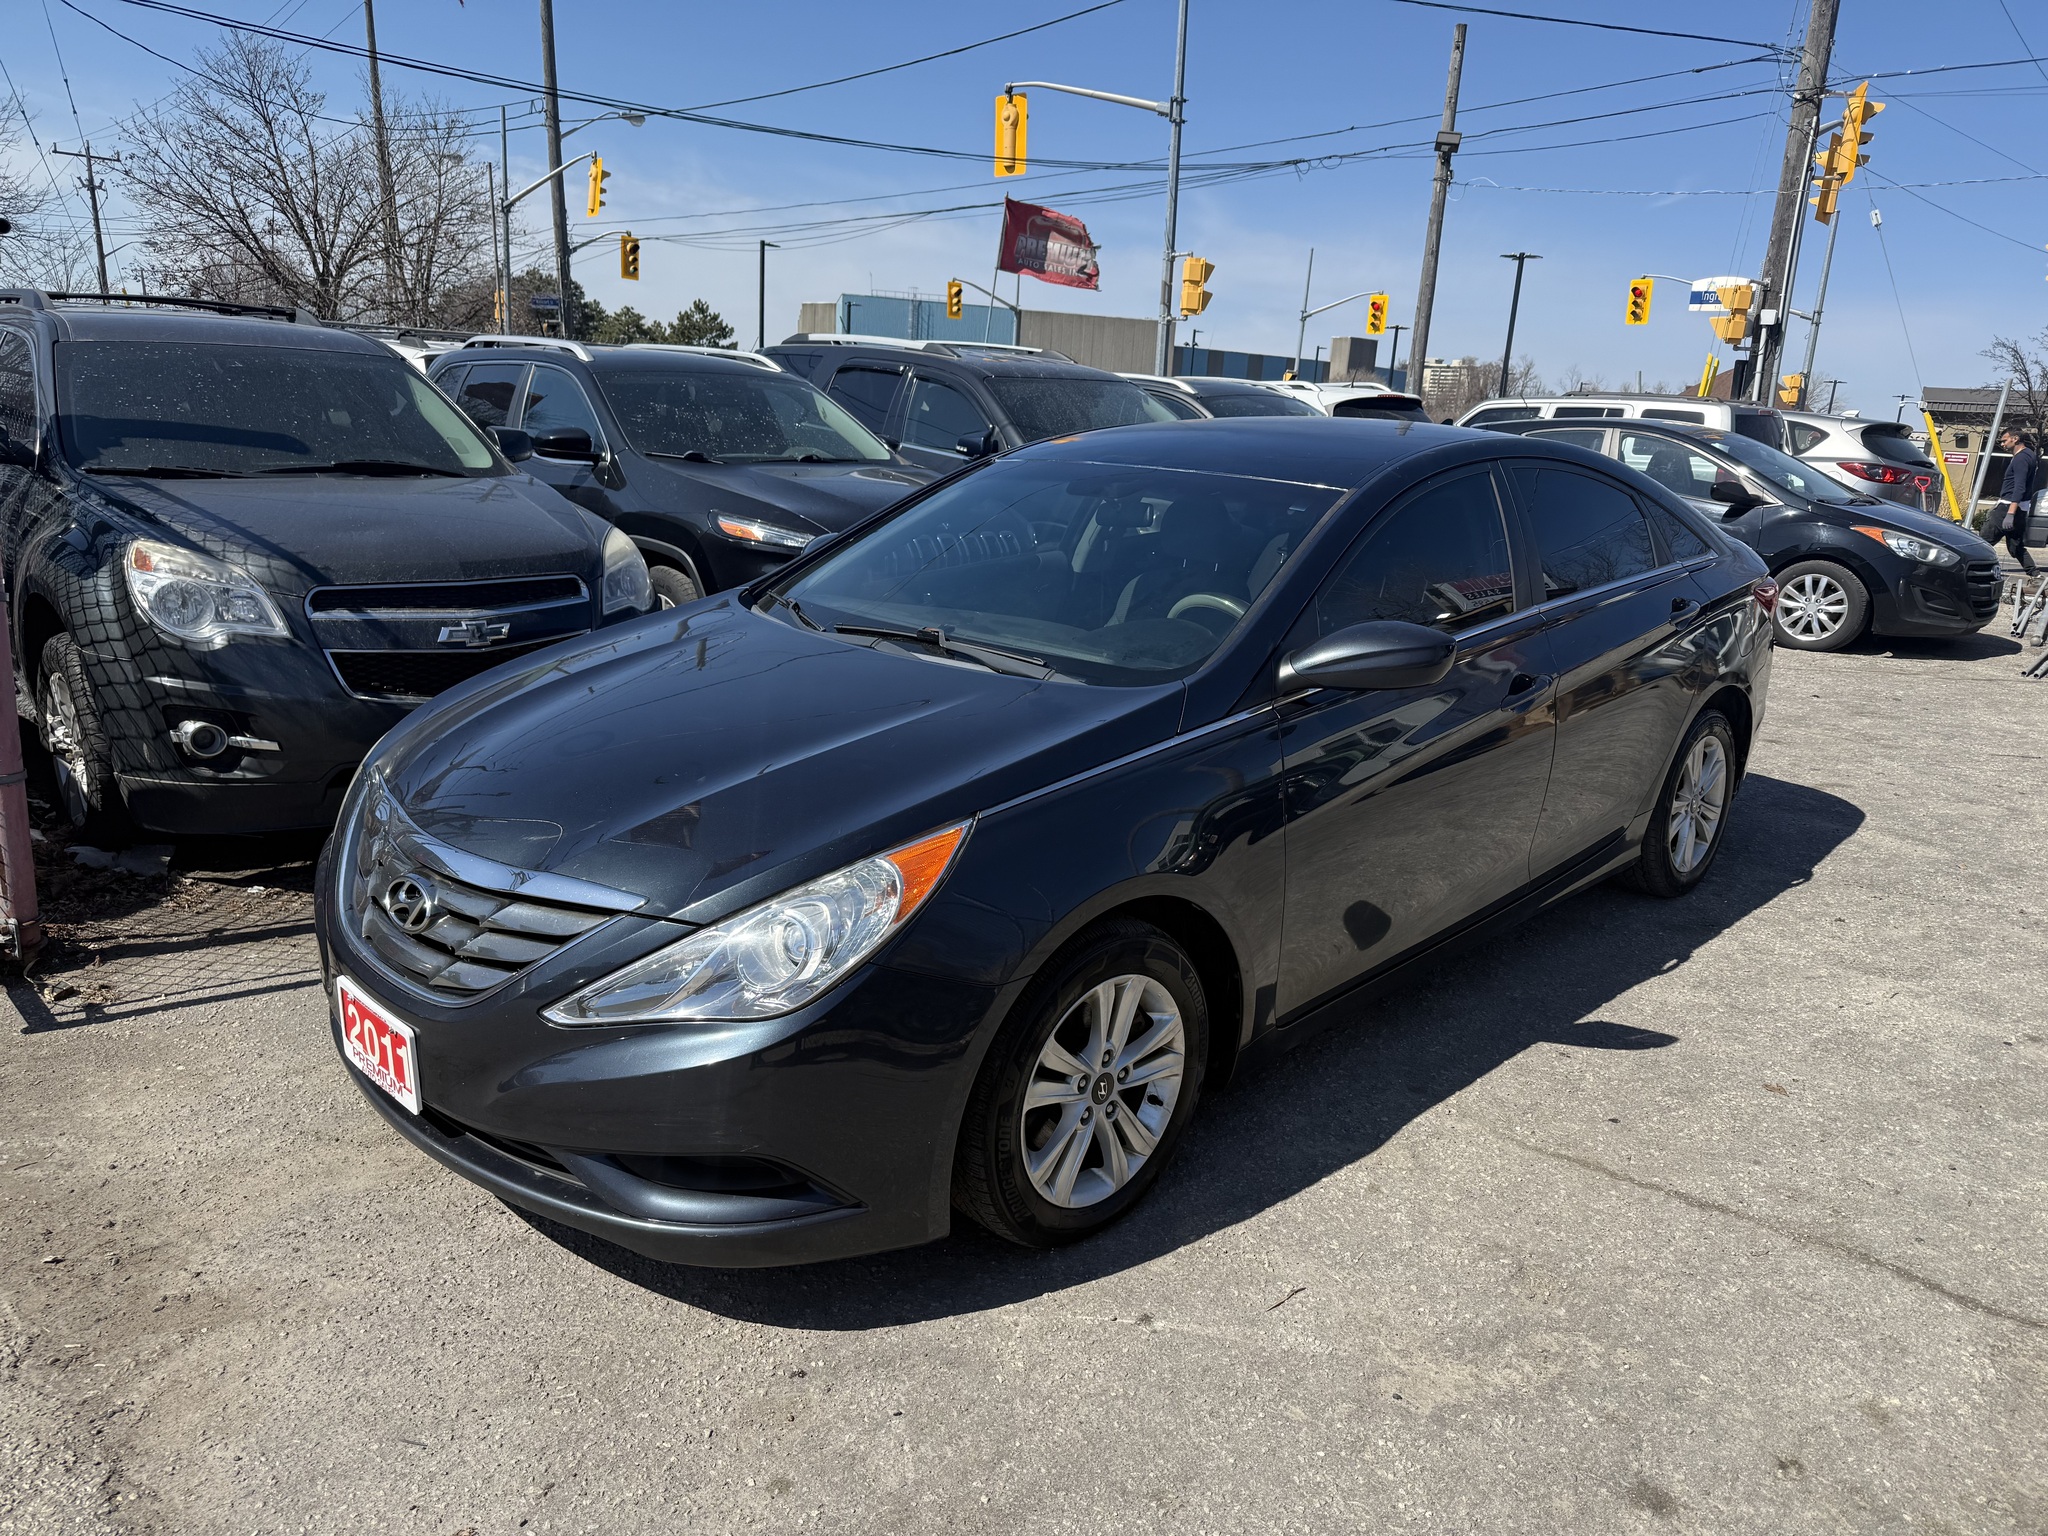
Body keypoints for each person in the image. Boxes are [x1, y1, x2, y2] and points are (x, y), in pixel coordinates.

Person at [1992, 427, 2039, 575]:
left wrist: (2010, 513)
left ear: (2015, 438)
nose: (2003, 444)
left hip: (2008, 507)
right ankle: (2034, 574)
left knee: (1982, 541)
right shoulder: (2029, 455)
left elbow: (2019, 487)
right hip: (2020, 507)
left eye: (2005, 440)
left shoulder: (2021, 458)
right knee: (2016, 546)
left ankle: (1969, 570)